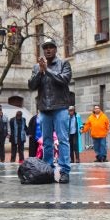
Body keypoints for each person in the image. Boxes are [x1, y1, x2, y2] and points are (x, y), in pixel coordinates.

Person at [28, 37, 72, 183]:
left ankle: (64, 170)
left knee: (63, 140)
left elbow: (64, 80)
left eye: (50, 47)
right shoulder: (37, 67)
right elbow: (32, 86)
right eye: (45, 47)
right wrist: (40, 72)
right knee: (46, 141)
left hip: (60, 107)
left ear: (55, 49)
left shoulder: (64, 64)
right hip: (44, 109)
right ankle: (48, 169)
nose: (48, 50)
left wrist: (47, 71)